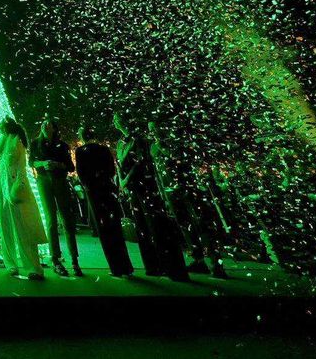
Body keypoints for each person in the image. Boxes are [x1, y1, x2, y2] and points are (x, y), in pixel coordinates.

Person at [114, 115, 189, 281]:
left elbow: (140, 162)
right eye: (115, 119)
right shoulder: (120, 143)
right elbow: (119, 163)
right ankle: (151, 265)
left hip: (145, 186)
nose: (117, 121)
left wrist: (126, 179)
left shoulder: (139, 140)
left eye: (120, 118)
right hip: (131, 188)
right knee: (141, 226)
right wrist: (121, 181)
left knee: (155, 224)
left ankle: (166, 264)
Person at [149, 122, 228, 279]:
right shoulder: (153, 147)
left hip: (189, 191)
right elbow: (157, 172)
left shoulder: (176, 143)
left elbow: (187, 162)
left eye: (156, 128)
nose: (154, 132)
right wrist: (163, 194)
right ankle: (198, 260)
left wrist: (164, 147)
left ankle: (216, 264)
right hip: (170, 192)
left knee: (202, 225)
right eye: (151, 129)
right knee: (185, 226)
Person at [0, 117, 47, 280]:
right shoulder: (2, 143)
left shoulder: (16, 142)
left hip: (15, 186)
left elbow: (20, 166)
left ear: (6, 127)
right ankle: (11, 264)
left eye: (1, 125)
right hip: (2, 186)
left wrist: (18, 185)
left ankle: (33, 266)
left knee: (23, 225)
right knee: (4, 225)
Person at [75, 126, 133, 277]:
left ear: (82, 136)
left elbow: (81, 175)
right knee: (115, 228)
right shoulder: (104, 150)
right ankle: (126, 267)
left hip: (94, 193)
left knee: (104, 230)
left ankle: (116, 268)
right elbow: (112, 171)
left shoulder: (80, 152)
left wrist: (89, 184)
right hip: (107, 190)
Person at [28, 119, 82, 277]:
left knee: (67, 220)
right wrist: (43, 163)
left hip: (60, 181)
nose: (45, 126)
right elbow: (31, 161)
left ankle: (74, 260)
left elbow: (71, 167)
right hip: (44, 181)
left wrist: (58, 165)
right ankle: (55, 259)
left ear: (54, 129)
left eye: (49, 125)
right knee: (51, 220)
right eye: (43, 124)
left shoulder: (63, 146)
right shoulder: (35, 143)